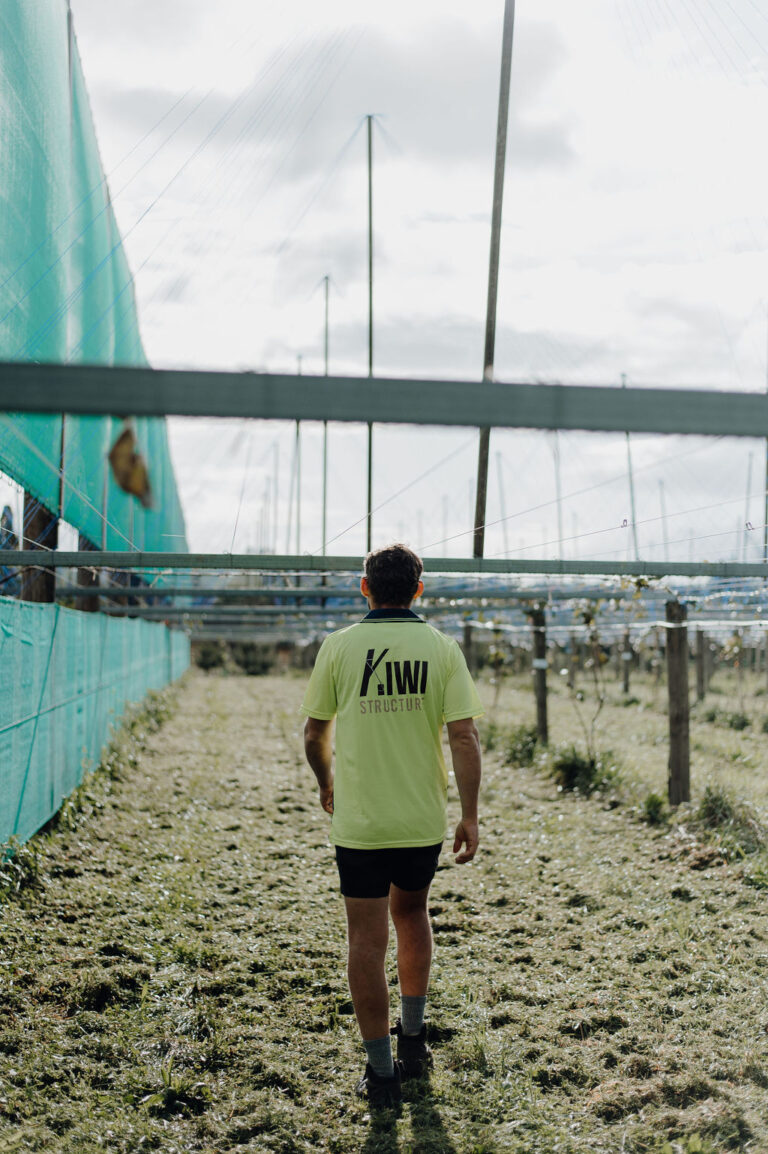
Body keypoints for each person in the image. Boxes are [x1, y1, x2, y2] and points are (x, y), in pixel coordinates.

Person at [301, 543, 483, 1108]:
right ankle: (414, 1040)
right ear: (419, 590)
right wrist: (470, 814)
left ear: (365, 588)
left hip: (360, 822)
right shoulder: (441, 648)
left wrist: (325, 782)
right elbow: (464, 738)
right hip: (420, 819)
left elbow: (313, 734)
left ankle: (381, 1074)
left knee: (366, 936)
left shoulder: (338, 647)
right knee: (412, 915)